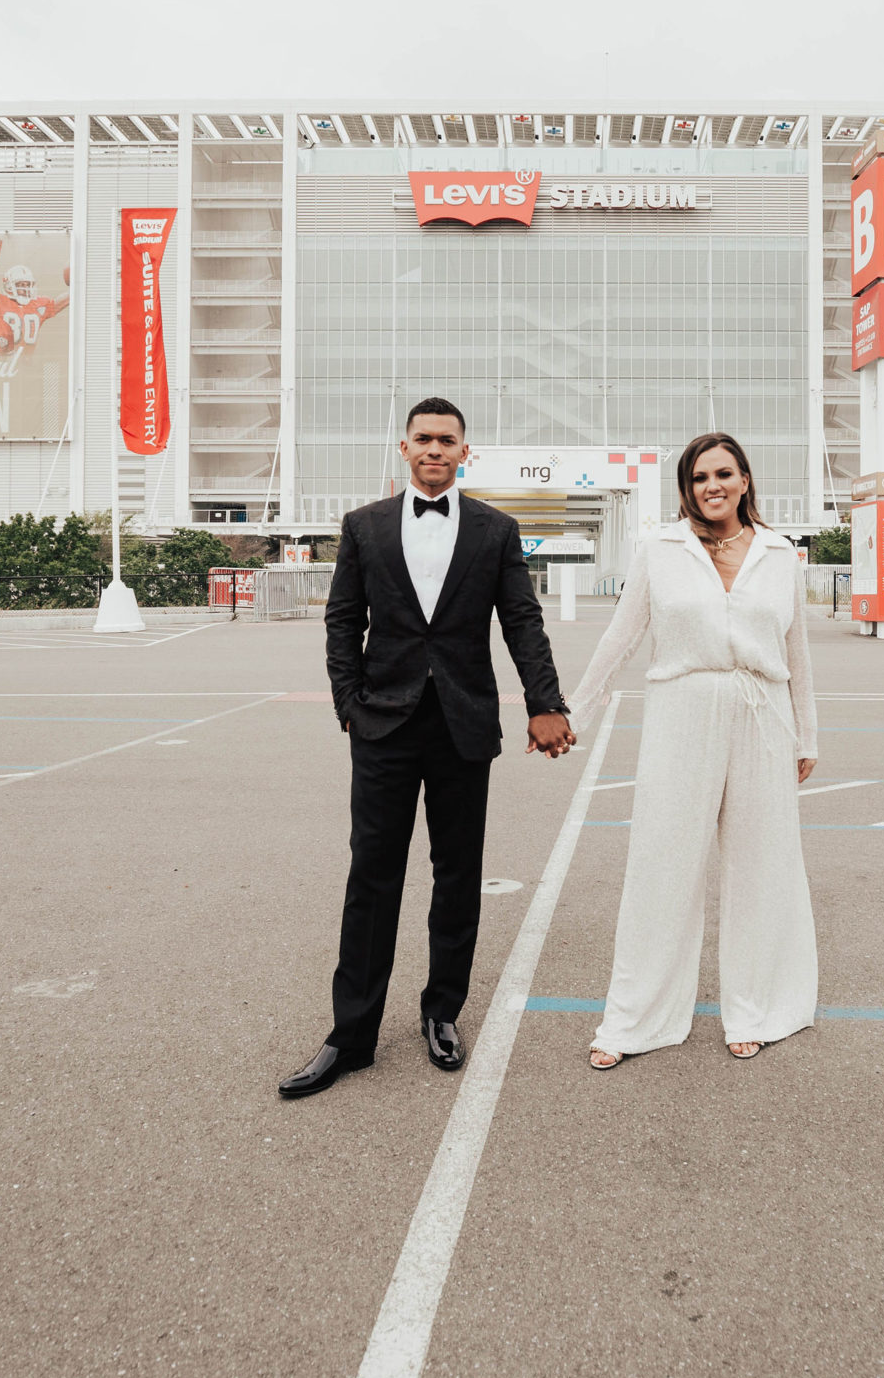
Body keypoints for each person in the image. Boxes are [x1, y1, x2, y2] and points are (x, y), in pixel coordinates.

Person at [278, 397, 576, 1099]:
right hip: (383, 725)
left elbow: (522, 621)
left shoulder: (497, 530)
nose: (435, 448)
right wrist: (349, 705)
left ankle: (441, 1012)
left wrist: (546, 703)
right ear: (404, 447)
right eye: (424, 438)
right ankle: (352, 1034)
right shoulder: (365, 526)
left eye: (447, 439)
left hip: (462, 725)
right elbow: (343, 620)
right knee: (372, 876)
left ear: (465, 451)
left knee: (458, 875)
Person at [567, 431, 819, 1068]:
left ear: (744, 481)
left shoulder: (780, 554)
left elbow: (797, 654)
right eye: (700, 477)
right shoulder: (662, 549)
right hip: (682, 709)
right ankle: (635, 1021)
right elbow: (622, 637)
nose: (713, 486)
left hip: (763, 714)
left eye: (724, 474)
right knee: (662, 863)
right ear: (687, 487)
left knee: (763, 867)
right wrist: (573, 713)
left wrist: (807, 734)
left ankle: (758, 1009)